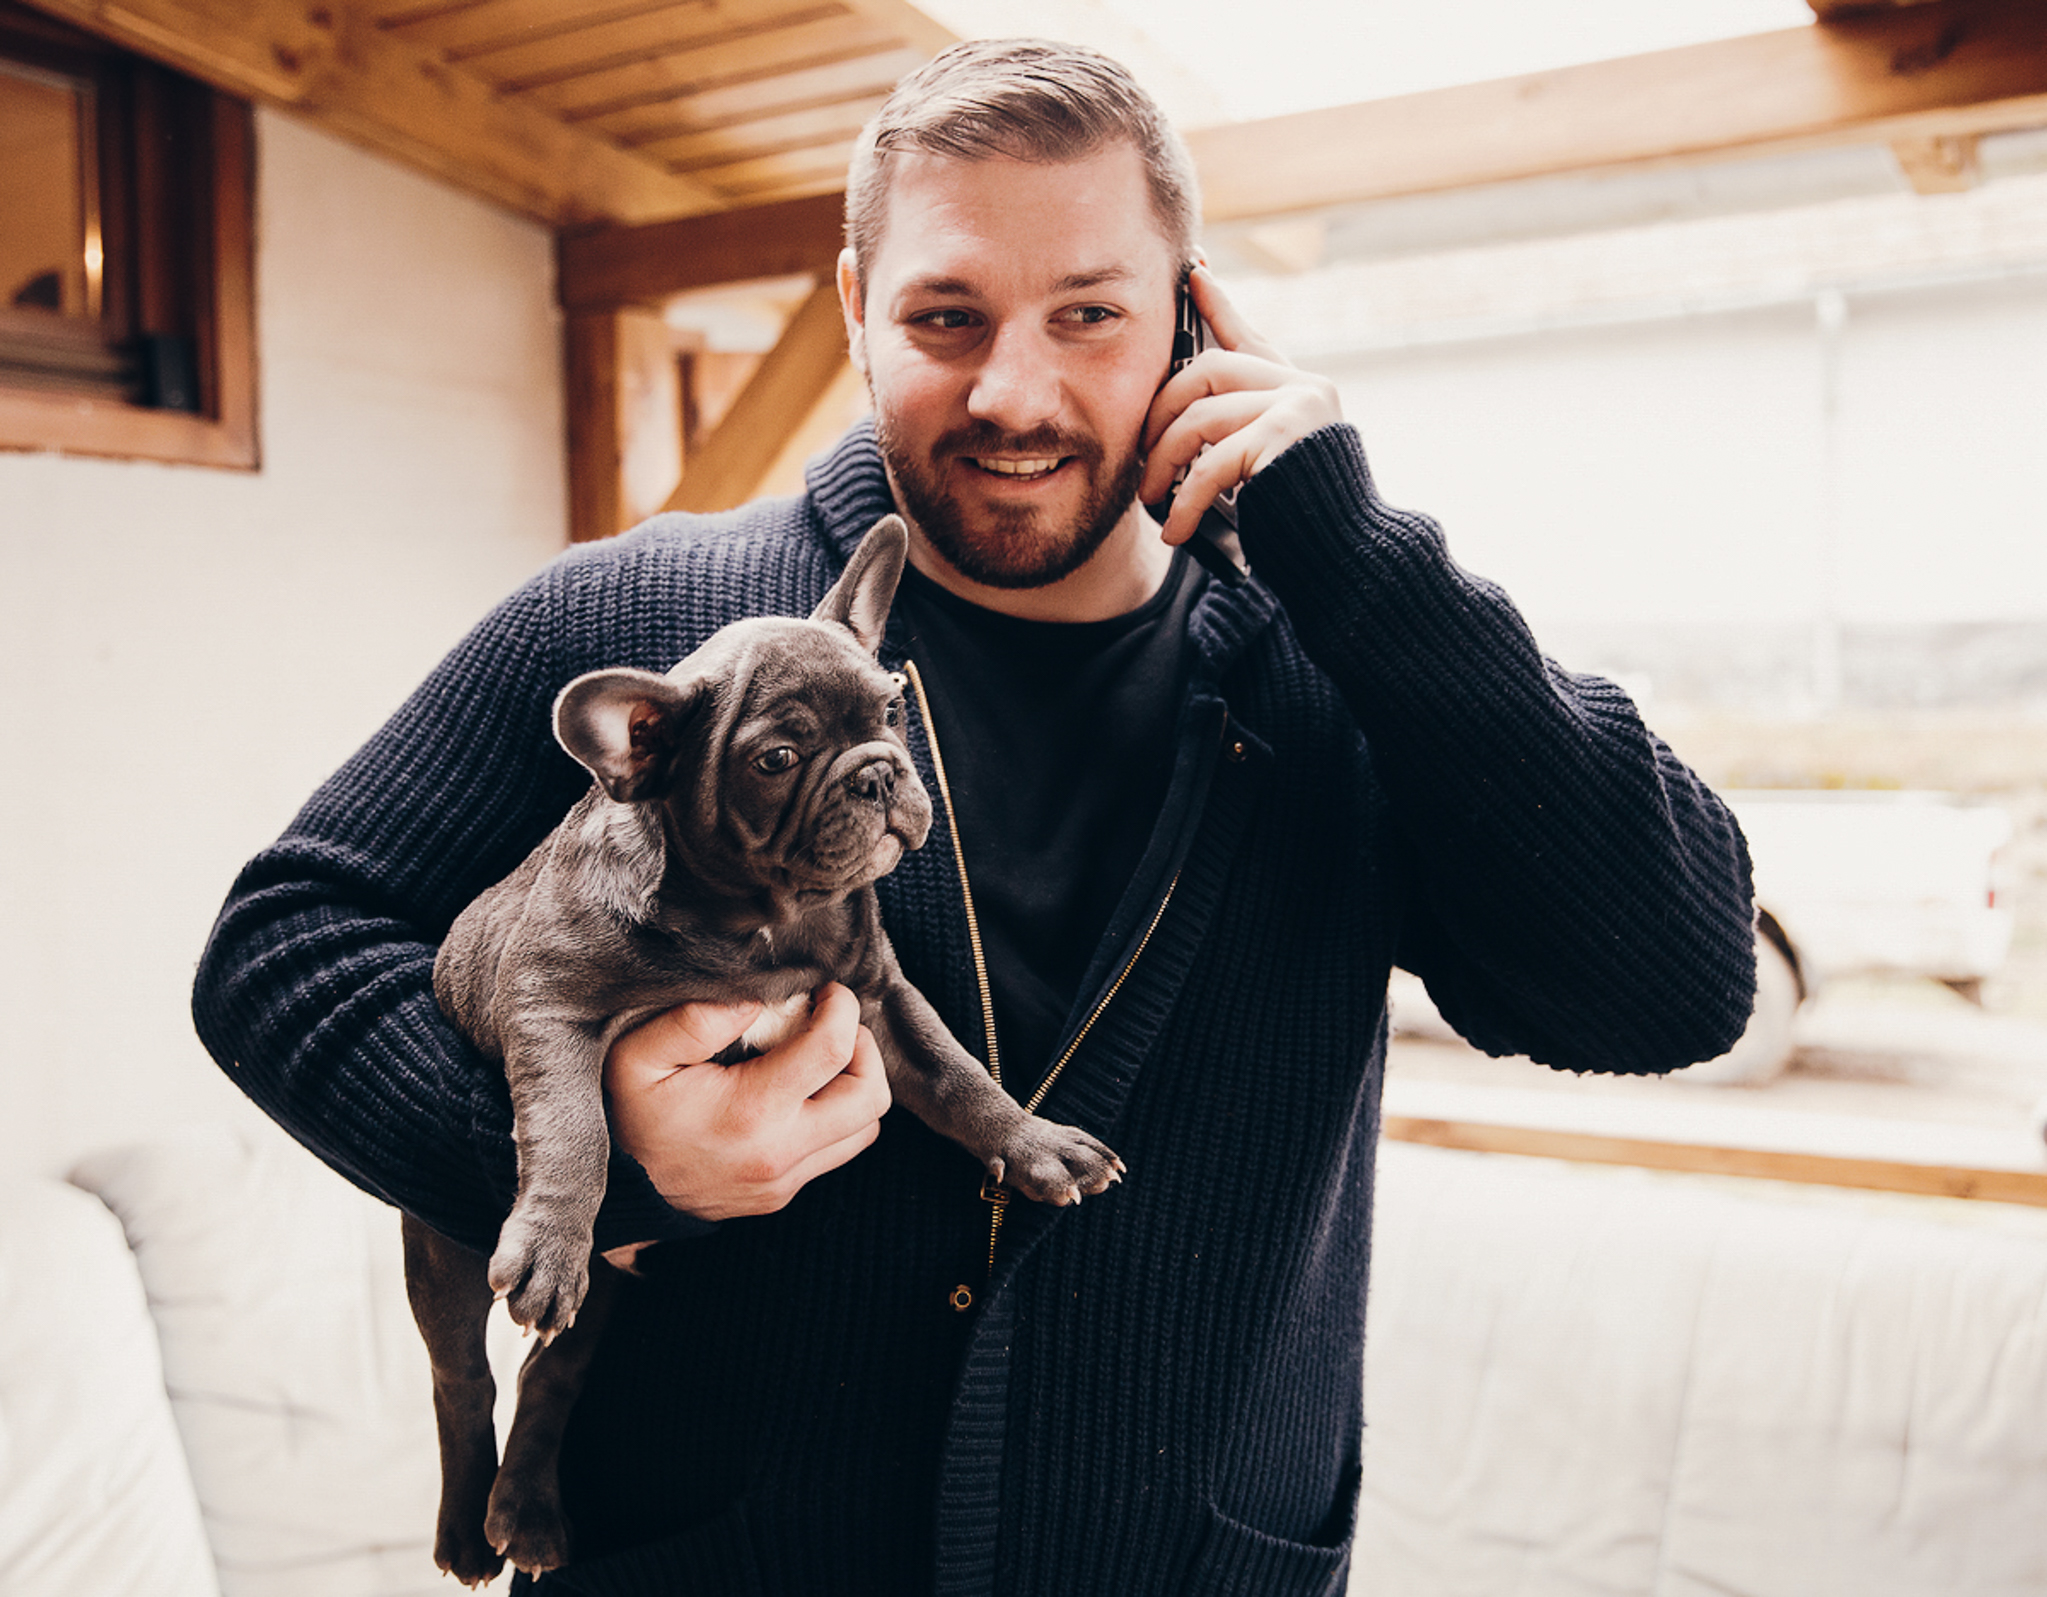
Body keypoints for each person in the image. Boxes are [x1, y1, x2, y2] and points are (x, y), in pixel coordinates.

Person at [192, 38, 1757, 1597]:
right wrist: (605, 1167)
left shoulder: (1345, 666)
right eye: (949, 315)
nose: (1017, 391)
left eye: (1091, 313)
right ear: (857, 303)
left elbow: (1674, 985)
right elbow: (282, 947)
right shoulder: (634, 615)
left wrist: (1349, 555)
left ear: (1192, 316)